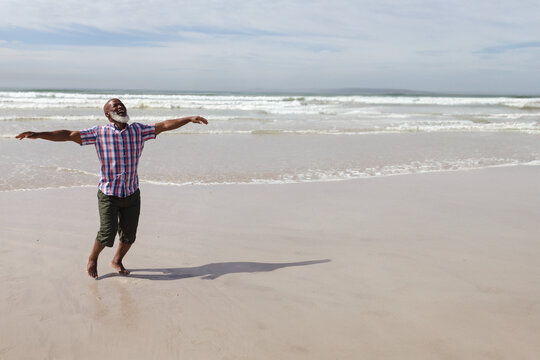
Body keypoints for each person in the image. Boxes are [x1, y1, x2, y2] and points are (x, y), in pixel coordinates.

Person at [15, 98, 208, 279]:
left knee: (129, 235)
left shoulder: (138, 131)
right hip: (109, 193)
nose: (119, 107)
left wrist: (188, 119)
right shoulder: (99, 133)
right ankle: (93, 258)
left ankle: (117, 260)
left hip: (132, 192)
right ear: (108, 115)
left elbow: (165, 125)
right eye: (114, 106)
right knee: (107, 233)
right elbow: (68, 135)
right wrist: (39, 134)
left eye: (121, 104)